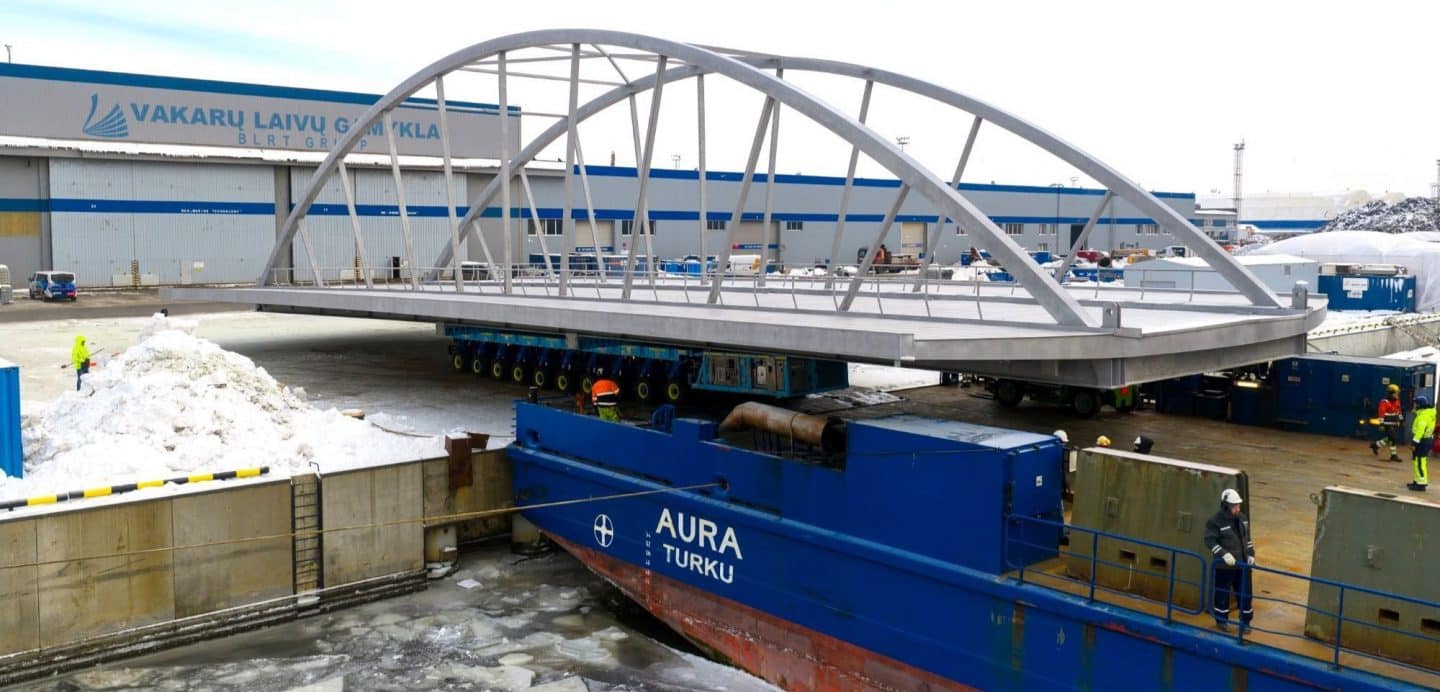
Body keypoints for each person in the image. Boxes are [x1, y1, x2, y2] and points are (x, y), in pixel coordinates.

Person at [1204, 488, 1255, 631]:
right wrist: (1224, 554)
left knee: (1245, 595)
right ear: (1225, 506)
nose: (1237, 509)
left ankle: (1245, 622)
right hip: (1225, 566)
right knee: (1222, 593)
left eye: (1238, 505)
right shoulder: (1215, 522)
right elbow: (1209, 541)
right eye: (1234, 506)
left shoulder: (1243, 519)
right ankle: (1221, 621)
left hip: (1242, 565)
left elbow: (1247, 539)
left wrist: (1251, 554)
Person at [1370, 384, 1404, 462]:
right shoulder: (1384, 402)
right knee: (1393, 438)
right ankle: (1393, 455)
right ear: (1391, 393)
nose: (1397, 395)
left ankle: (1376, 445)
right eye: (1396, 393)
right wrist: (1381, 424)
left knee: (1390, 438)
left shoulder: (1397, 401)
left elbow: (1399, 411)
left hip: (1394, 423)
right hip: (1387, 424)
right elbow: (1381, 414)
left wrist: (1401, 420)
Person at [1409, 395, 1434, 491]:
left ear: (1419, 405)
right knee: (1416, 461)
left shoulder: (1424, 416)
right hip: (1424, 440)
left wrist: (1414, 442)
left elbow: (1420, 430)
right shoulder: (1425, 413)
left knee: (1420, 462)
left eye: (1415, 404)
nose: (1414, 406)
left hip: (1422, 441)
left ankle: (1421, 484)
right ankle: (1417, 481)